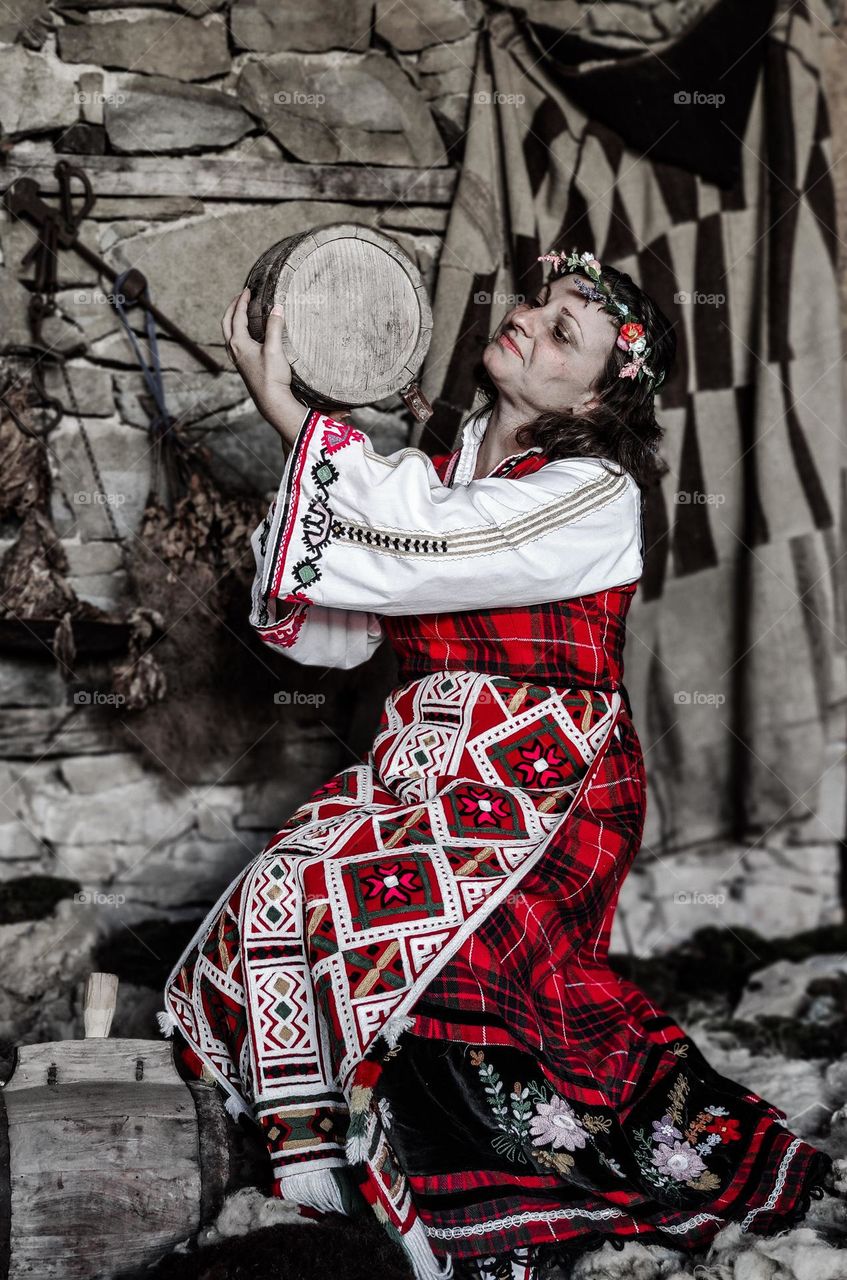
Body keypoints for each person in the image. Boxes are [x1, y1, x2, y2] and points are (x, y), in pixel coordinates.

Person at [158, 249, 834, 1280]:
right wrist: (332, 467)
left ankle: (503, 1194)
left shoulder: (592, 491)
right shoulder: (451, 460)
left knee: (447, 967)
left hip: (548, 777)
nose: (529, 318)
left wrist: (289, 414)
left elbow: (439, 539)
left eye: (565, 332)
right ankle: (311, 1154)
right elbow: (346, 621)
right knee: (281, 890)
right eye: (537, 302)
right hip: (427, 757)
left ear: (597, 396)